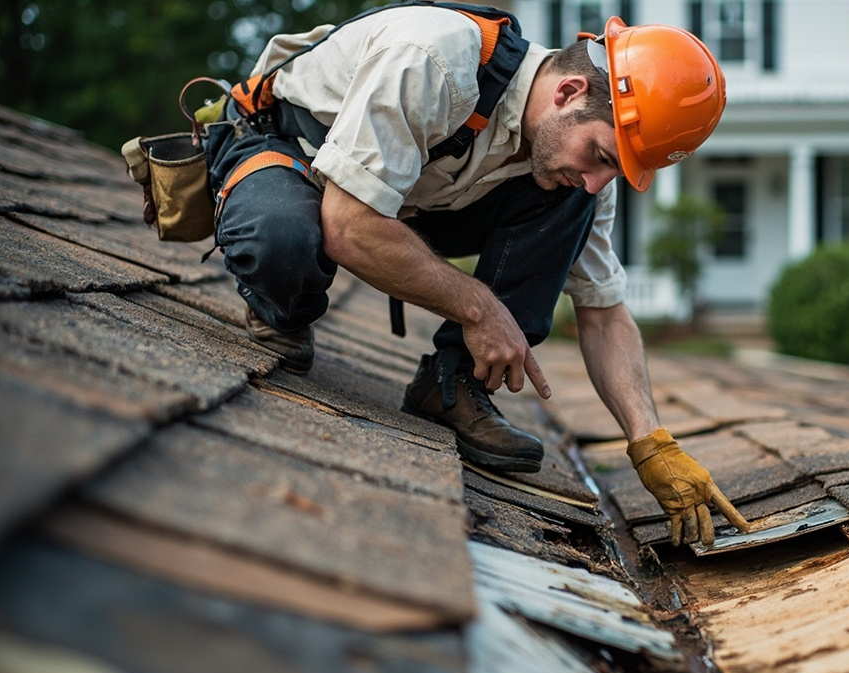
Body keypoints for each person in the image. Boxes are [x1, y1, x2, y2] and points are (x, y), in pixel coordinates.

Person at [203, 2, 750, 548]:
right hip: (293, 151)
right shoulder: (434, 59)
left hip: (410, 200)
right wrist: (480, 308)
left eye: (615, 171)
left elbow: (604, 312)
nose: (596, 181)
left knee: (571, 200)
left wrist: (651, 443)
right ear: (569, 93)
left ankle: (452, 383)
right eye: (602, 156)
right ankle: (284, 306)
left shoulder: (574, 169)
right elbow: (349, 225)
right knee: (282, 243)